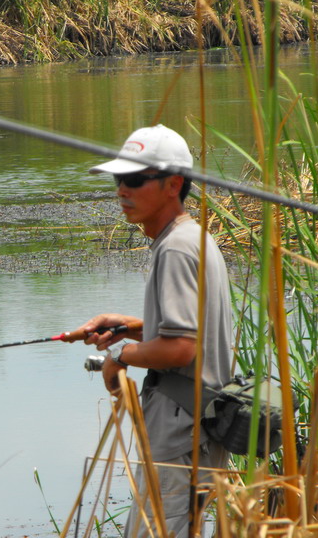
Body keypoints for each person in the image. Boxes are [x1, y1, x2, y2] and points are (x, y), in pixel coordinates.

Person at [77, 124, 233, 537]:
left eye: (133, 180)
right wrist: (129, 327)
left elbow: (181, 347)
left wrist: (119, 358)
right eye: (118, 179)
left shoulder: (177, 248)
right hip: (195, 431)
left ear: (173, 185)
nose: (121, 191)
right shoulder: (191, 237)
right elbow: (190, 333)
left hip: (182, 436)